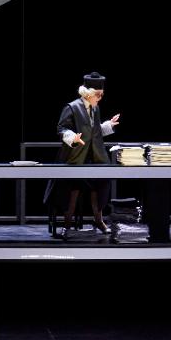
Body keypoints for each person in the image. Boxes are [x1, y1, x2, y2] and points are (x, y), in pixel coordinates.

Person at [47, 73, 120, 238]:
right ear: (88, 94)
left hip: (95, 157)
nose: (100, 98)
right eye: (98, 95)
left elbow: (95, 132)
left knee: (101, 183)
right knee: (72, 187)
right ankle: (67, 224)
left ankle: (98, 220)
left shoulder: (95, 108)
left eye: (101, 95)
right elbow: (61, 129)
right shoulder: (72, 107)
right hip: (76, 157)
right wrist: (73, 137)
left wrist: (108, 125)